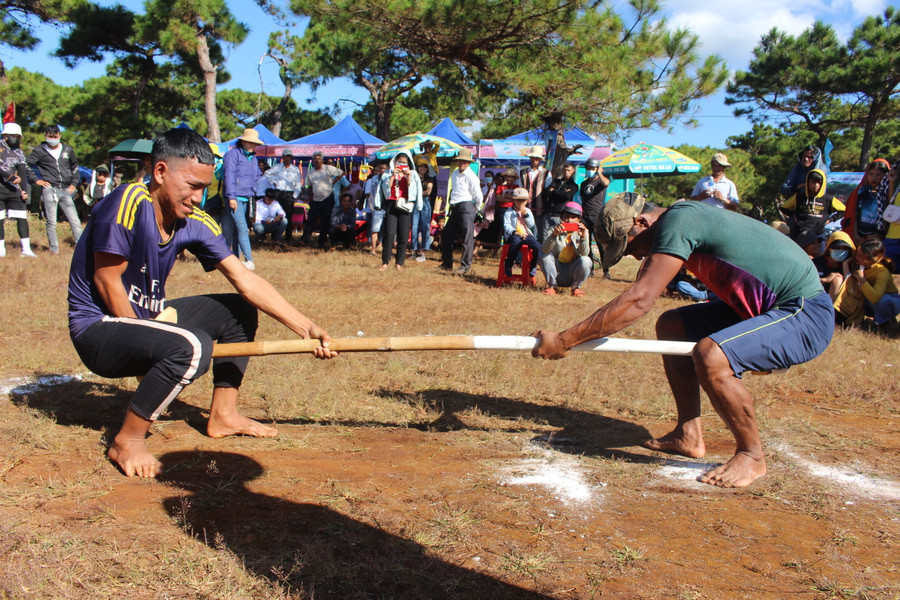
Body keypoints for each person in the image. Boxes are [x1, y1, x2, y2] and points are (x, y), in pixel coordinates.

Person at [66, 127, 336, 478]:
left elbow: (245, 279)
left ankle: (223, 415)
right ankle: (128, 439)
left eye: (205, 188)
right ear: (160, 172)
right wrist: (144, 352)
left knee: (238, 310)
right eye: (192, 186)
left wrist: (305, 327)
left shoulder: (193, 220)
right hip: (99, 330)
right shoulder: (128, 202)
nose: (198, 196)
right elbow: (107, 282)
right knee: (194, 346)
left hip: (150, 321)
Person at [531, 194, 834, 488]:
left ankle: (751, 455)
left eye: (631, 245)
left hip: (804, 313)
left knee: (711, 355)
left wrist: (565, 339)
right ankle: (688, 434)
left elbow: (638, 301)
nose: (635, 255)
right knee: (673, 325)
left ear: (642, 222)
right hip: (767, 308)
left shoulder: (680, 220)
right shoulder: (684, 219)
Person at [27, 124, 83, 254]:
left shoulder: (67, 149)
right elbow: (26, 164)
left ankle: (80, 248)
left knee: (75, 220)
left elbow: (74, 166)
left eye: (55, 136)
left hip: (66, 189)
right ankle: (54, 250)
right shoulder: (39, 151)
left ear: (60, 136)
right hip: (50, 189)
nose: (53, 139)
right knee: (51, 222)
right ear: (46, 136)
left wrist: (74, 183)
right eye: (50, 136)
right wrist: (37, 180)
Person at [222, 128, 262, 270]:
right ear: (243, 141)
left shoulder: (254, 159)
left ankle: (235, 260)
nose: (252, 146)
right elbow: (229, 176)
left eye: (254, 144)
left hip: (248, 197)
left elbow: (256, 175)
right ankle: (249, 260)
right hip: (235, 197)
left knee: (236, 230)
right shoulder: (232, 155)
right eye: (250, 143)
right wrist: (231, 197)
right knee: (242, 228)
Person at [440, 148, 483, 274]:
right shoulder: (454, 173)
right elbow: (453, 191)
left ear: (469, 163)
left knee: (467, 237)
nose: (462, 163)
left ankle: (465, 266)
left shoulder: (471, 176)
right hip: (455, 206)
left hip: (466, 206)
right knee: (446, 235)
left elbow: (478, 195)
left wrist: (476, 209)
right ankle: (447, 263)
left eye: (465, 161)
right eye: (460, 161)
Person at [378, 151, 422, 270]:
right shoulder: (388, 173)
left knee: (403, 236)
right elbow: (385, 190)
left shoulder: (413, 174)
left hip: (405, 205)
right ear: (394, 162)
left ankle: (399, 263)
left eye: (404, 163)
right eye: (399, 162)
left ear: (409, 163)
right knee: (389, 233)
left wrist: (408, 178)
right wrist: (393, 176)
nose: (401, 165)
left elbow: (415, 191)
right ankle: (385, 262)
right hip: (392, 204)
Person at [781, 169, 845, 252]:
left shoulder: (828, 199)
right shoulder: (800, 197)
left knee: (818, 257)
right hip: (801, 233)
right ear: (808, 182)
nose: (815, 185)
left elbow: (844, 210)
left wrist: (830, 219)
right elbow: (783, 207)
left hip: (818, 234)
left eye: (819, 182)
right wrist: (794, 215)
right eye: (813, 182)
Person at [844, 239, 899, 332]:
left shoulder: (881, 271)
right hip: (868, 302)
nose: (856, 256)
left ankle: (882, 323)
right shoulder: (859, 265)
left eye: (860, 255)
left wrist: (862, 279)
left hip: (888, 302)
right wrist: (845, 264)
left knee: (883, 301)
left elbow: (875, 298)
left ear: (870, 259)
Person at [540, 201, 591, 296]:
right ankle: (552, 286)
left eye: (573, 218)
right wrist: (553, 236)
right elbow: (544, 250)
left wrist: (583, 237)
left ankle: (576, 287)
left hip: (573, 270)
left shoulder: (583, 231)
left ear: (579, 219)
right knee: (545, 256)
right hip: (557, 269)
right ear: (562, 218)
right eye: (566, 217)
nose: (569, 220)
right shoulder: (553, 229)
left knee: (586, 260)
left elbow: (584, 254)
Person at [0, 122, 36, 257]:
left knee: (22, 218)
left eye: (17, 136)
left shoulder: (19, 152)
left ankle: (26, 250)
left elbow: (22, 172)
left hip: (14, 189)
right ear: (5, 136)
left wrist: (24, 190)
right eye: (13, 136)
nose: (16, 138)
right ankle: (1, 249)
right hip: (0, 188)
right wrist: (8, 176)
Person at [841, 159, 889, 244]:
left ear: (886, 175)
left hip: (878, 239)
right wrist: (856, 235)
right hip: (859, 237)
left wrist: (874, 236)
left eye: (878, 175)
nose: (873, 178)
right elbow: (855, 214)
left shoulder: (887, 195)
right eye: (871, 174)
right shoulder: (862, 191)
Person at [302, 151, 343, 249]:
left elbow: (341, 173)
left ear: (322, 160)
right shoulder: (311, 172)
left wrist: (333, 181)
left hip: (327, 198)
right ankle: (305, 240)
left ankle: (322, 242)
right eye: (315, 159)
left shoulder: (328, 169)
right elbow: (309, 187)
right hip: (315, 200)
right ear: (313, 160)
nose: (317, 160)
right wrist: (310, 198)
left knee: (325, 221)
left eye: (319, 158)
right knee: (310, 220)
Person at [501, 187, 541, 283]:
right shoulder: (509, 212)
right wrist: (515, 232)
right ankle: (509, 264)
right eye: (518, 200)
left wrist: (526, 215)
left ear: (527, 201)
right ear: (514, 200)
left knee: (537, 246)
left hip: (526, 235)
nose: (521, 203)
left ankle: (532, 266)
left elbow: (531, 224)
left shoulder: (528, 211)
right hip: (514, 235)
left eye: (523, 200)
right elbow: (506, 226)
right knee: (515, 242)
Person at [579, 158, 610, 278]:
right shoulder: (584, 184)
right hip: (585, 216)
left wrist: (599, 173)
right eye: (588, 169)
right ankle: (590, 269)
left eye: (592, 169)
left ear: (597, 169)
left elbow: (606, 183)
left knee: (600, 244)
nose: (590, 171)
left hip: (597, 216)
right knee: (586, 244)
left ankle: (606, 270)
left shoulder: (600, 182)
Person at [539, 162, 579, 241]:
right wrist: (561, 192)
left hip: (560, 215)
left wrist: (554, 191)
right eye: (564, 170)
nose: (566, 172)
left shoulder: (573, 186)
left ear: (573, 171)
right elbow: (546, 192)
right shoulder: (556, 182)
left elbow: (567, 196)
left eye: (568, 170)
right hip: (548, 214)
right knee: (545, 238)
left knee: (559, 238)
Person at [815, 230, 855, 301]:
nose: (841, 251)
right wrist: (825, 279)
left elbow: (851, 288)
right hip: (816, 298)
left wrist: (845, 265)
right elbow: (806, 282)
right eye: (838, 248)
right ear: (829, 249)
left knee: (837, 279)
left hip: (840, 304)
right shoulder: (817, 263)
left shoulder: (850, 266)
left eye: (845, 249)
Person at [412, 157, 435, 262]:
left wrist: (415, 194)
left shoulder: (430, 178)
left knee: (425, 227)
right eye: (420, 166)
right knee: (414, 226)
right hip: (414, 204)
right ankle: (414, 250)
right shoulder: (413, 177)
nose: (422, 168)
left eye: (424, 166)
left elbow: (428, 192)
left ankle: (423, 252)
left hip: (425, 203)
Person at [363, 162, 387, 255]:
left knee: (385, 228)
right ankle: (373, 248)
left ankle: (382, 244)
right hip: (375, 207)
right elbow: (368, 194)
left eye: (383, 168)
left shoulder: (389, 179)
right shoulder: (372, 180)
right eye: (379, 169)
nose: (381, 170)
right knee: (374, 229)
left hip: (387, 207)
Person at [520, 145, 549, 221]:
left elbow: (547, 191)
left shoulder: (546, 173)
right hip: (525, 208)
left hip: (540, 209)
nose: (534, 160)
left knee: (538, 231)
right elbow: (520, 189)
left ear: (540, 159)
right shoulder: (523, 172)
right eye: (532, 157)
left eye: (537, 158)